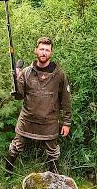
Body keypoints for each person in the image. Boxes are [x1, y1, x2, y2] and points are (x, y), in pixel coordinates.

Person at [5, 36, 72, 175]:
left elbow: (66, 99)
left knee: (53, 153)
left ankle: (53, 180)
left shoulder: (59, 74)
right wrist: (16, 81)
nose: (44, 52)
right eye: (41, 49)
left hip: (49, 121)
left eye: (47, 50)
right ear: (36, 51)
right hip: (27, 119)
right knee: (15, 147)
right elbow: (19, 96)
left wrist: (66, 122)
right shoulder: (27, 72)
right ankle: (7, 175)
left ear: (51, 53)